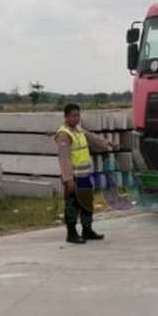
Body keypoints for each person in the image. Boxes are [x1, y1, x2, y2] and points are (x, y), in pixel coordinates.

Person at [55, 103, 120, 244]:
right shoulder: (64, 135)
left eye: (78, 115)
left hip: (84, 176)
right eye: (73, 116)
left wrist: (108, 143)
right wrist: (68, 179)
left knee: (87, 204)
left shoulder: (78, 130)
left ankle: (87, 230)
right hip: (73, 178)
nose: (76, 118)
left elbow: (92, 138)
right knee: (72, 206)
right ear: (66, 117)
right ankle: (71, 234)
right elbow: (64, 158)